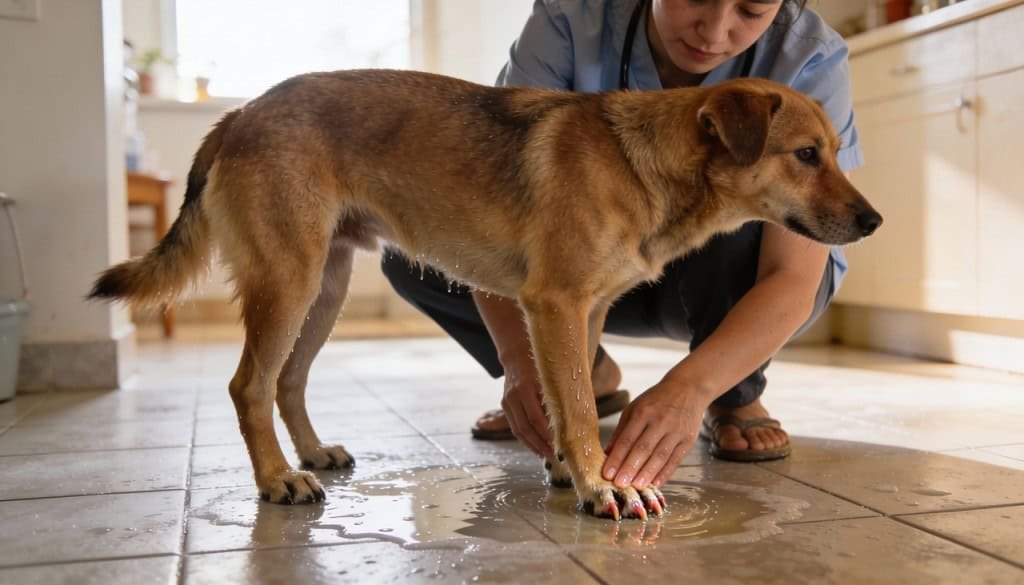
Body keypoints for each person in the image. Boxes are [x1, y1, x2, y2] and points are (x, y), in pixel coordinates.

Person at [382, 0, 862, 492]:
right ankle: (585, 376)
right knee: (411, 250)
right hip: (585, 263)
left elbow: (791, 276)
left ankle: (732, 394)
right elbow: (486, 197)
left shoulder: (809, 55)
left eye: (751, 10)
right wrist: (521, 361)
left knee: (740, 211)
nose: (715, 31)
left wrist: (686, 392)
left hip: (721, 275)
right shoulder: (571, 17)